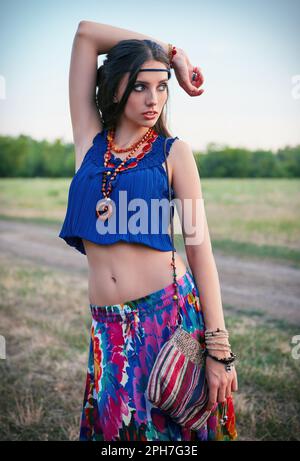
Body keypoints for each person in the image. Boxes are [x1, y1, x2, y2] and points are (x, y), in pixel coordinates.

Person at [58, 20, 238, 441]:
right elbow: (86, 34)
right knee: (117, 437)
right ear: (115, 86)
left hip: (169, 319)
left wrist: (218, 347)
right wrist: (172, 54)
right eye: (140, 86)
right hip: (107, 329)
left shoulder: (174, 153)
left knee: (174, 439)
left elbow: (200, 251)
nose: (153, 98)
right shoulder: (90, 142)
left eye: (162, 87)